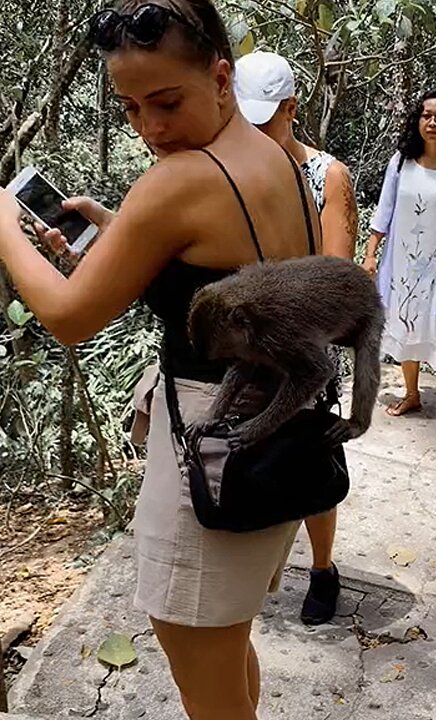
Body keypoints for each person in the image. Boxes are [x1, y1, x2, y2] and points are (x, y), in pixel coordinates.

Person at [0, 1, 322, 715]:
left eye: (167, 101)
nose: (150, 127)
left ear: (220, 76)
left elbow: (67, 317)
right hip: (276, 429)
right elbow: (242, 276)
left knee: (201, 667)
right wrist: (126, 241)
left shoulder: (179, 182)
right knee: (228, 647)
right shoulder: (279, 159)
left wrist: (3, 227)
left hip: (212, 445)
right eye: (130, 107)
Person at [233, 49, 357, 627]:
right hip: (248, 344)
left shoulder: (324, 174)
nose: (256, 132)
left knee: (308, 454)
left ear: (292, 108)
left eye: (267, 119)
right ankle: (260, 565)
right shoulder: (226, 175)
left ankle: (323, 567)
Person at [362, 89, 436, 420]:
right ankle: (412, 394)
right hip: (401, 262)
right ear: (418, 120)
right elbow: (384, 211)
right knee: (404, 321)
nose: (432, 122)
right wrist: (371, 254)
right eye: (427, 115)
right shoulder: (400, 163)